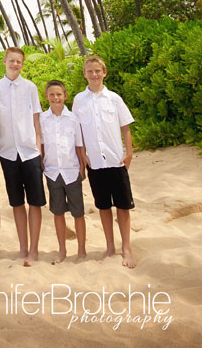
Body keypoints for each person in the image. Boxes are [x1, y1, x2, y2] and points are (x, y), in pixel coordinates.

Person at [72, 55, 136, 268]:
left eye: (98, 71)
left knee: (123, 206)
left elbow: (125, 127)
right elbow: (78, 131)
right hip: (95, 163)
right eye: (90, 71)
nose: (94, 75)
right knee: (103, 206)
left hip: (116, 160)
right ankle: (110, 246)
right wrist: (82, 157)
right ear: (85, 74)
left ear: (104, 73)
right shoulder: (79, 101)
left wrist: (129, 153)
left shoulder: (114, 99)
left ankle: (126, 247)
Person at [0, 46, 45, 265]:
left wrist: (40, 148)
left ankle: (34, 250)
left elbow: (36, 119)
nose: (15, 64)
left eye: (19, 62)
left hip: (30, 152)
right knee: (16, 203)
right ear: (5, 60)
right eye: (12, 60)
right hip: (7, 153)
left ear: (22, 64)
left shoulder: (30, 87)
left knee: (35, 203)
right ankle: (22, 248)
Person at [40, 80, 87, 263]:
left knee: (78, 213)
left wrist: (83, 168)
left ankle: (81, 251)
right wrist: (43, 164)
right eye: (52, 94)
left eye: (59, 94)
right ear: (46, 97)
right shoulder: (42, 119)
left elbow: (79, 146)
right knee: (58, 212)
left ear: (65, 96)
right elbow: (41, 144)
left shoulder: (73, 119)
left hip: (71, 171)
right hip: (52, 172)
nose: (55, 98)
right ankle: (62, 250)